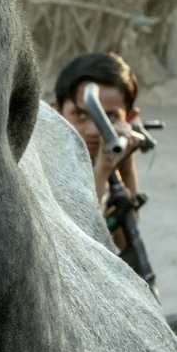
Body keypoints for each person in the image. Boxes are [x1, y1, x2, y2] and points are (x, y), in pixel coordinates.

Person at [54, 51, 147, 242]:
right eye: (80, 115)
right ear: (56, 113)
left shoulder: (112, 153)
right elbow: (75, 238)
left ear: (127, 119)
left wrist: (125, 164)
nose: (93, 130)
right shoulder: (47, 161)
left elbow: (124, 240)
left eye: (110, 117)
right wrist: (103, 169)